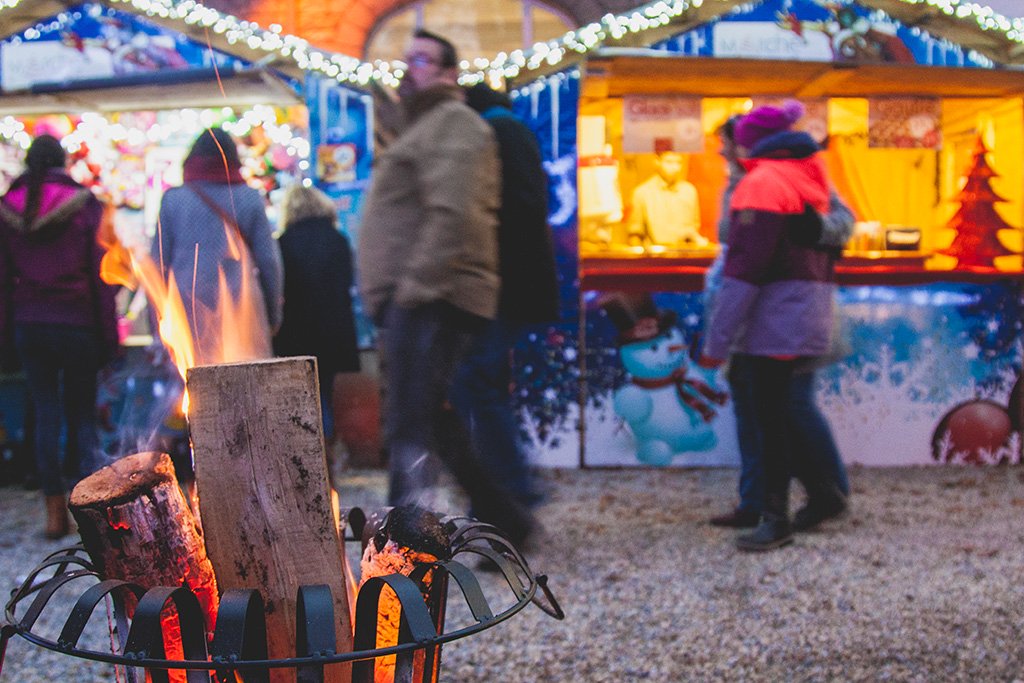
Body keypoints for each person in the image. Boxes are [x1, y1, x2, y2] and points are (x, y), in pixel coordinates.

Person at [357, 29, 534, 545]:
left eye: (424, 59)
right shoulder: (423, 127)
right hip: (422, 295)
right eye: (408, 59)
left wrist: (414, 287)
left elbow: (454, 212)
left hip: (434, 295)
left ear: (450, 73)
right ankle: (509, 521)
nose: (410, 68)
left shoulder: (453, 122)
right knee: (432, 420)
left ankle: (400, 545)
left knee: (410, 423)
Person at [699, 100, 846, 551]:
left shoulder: (762, 183)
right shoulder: (807, 175)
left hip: (774, 318)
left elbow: (745, 269)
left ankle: (775, 519)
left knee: (773, 419)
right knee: (780, 412)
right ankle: (821, 495)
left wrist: (717, 341)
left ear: (751, 144)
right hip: (803, 309)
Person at [0, 134, 118, 538]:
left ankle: (54, 513)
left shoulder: (7, 208)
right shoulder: (84, 205)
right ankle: (91, 513)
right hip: (77, 322)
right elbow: (102, 276)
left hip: (30, 324)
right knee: (82, 414)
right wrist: (109, 335)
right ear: (63, 163)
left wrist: (6, 334)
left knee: (45, 412)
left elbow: (3, 281)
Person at [449, 83, 560, 508]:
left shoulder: (498, 131)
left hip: (504, 282)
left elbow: (515, 208)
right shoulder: (512, 129)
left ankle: (510, 485)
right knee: (484, 379)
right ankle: (506, 484)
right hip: (515, 281)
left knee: (475, 380)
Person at [153, 127, 284, 364]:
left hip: (186, 308)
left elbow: (157, 265)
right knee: (246, 378)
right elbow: (269, 262)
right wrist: (273, 315)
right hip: (241, 306)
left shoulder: (173, 200)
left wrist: (156, 323)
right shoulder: (249, 198)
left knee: (193, 377)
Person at [273, 183, 360, 445]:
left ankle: (317, 449)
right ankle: (331, 449)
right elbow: (347, 283)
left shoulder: (283, 243)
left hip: (296, 332)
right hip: (335, 330)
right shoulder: (338, 240)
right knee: (328, 391)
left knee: (304, 396)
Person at [628, 151, 706, 248]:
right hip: (655, 254)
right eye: (669, 162)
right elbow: (635, 234)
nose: (675, 167)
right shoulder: (642, 193)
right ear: (657, 161)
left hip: (685, 253)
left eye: (678, 162)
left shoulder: (689, 191)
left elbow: (694, 227)